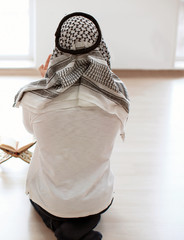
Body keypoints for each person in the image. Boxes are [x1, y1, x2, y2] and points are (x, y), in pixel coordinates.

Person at [13, 12, 130, 240]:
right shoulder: (118, 97)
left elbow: (31, 129)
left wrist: (47, 81)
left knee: (49, 206)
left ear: (57, 49)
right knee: (90, 211)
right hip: (98, 201)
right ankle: (82, 224)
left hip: (51, 201)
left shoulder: (34, 99)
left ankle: (64, 229)